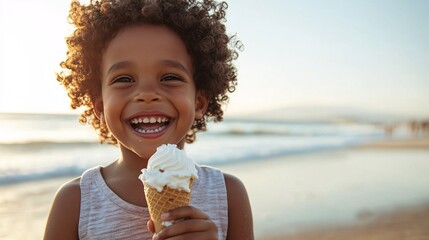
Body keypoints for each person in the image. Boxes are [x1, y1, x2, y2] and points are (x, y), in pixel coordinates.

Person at [44, 0, 253, 239]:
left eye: (170, 77)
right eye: (124, 79)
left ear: (199, 102)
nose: (146, 94)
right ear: (100, 107)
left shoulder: (227, 194)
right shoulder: (75, 201)